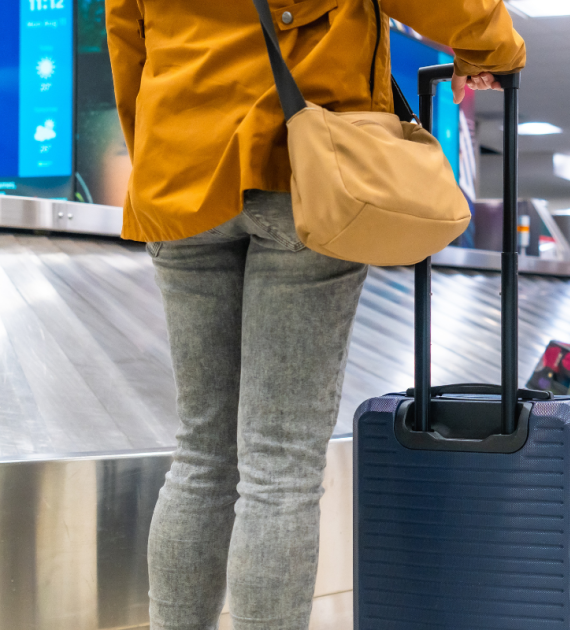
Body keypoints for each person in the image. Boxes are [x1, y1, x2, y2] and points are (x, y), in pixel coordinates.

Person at [104, 1, 525, 628]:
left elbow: (126, 45)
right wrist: (497, 48)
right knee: (280, 465)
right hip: (303, 166)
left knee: (200, 454)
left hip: (180, 178)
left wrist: (158, 162)